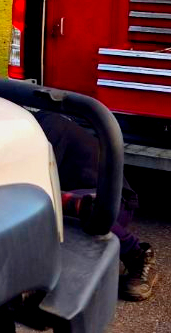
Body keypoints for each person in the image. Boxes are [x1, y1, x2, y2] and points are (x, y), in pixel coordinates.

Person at [34, 112, 158, 301]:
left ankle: (139, 255)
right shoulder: (30, 129)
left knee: (49, 201)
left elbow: (35, 185)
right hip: (78, 198)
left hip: (111, 204)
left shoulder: (47, 128)